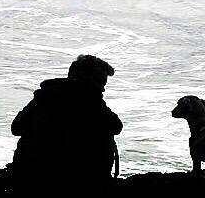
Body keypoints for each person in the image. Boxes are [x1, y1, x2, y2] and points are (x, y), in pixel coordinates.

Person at [10, 54, 122, 188]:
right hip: (82, 179)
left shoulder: (44, 97)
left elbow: (16, 128)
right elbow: (117, 126)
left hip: (31, 175)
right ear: (86, 78)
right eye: (100, 82)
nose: (103, 89)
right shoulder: (91, 102)